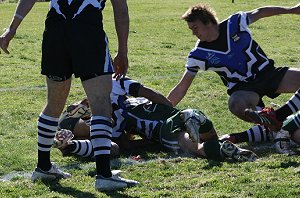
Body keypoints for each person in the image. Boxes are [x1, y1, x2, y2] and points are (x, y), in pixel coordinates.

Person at [0, 0, 138, 191]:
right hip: (87, 30)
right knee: (100, 104)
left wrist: (12, 28)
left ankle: (43, 167)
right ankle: (104, 175)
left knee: (53, 104)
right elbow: (120, 9)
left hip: (55, 32)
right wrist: (123, 51)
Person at [54, 76, 258, 162]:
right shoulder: (119, 88)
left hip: (160, 130)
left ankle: (224, 150)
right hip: (165, 114)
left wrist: (149, 143)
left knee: (194, 148)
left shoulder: (116, 122)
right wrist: (171, 108)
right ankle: (205, 128)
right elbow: (151, 94)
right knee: (207, 137)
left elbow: (124, 145)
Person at [167, 3, 300, 131]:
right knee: (235, 104)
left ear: (207, 21)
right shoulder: (198, 54)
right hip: (244, 89)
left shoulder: (235, 23)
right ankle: (269, 123)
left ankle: (278, 116)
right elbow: (182, 87)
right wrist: (163, 110)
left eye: (195, 28)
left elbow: (260, 12)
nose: (193, 33)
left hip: (268, 74)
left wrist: (292, 10)